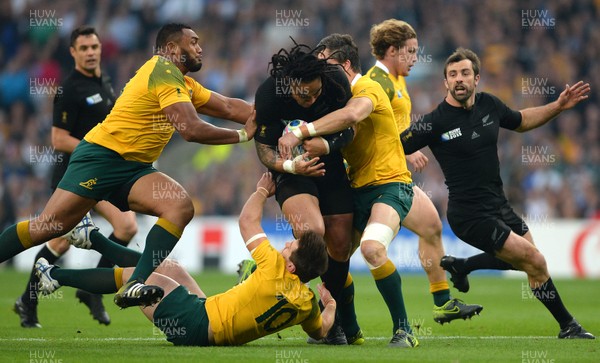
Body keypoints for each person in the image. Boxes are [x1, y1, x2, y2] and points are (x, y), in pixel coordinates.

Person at [0, 23, 256, 309]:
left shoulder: (182, 83)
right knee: (47, 228)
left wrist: (281, 119)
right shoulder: (162, 71)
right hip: (100, 157)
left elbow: (231, 107)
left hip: (134, 168)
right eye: (194, 42)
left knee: (180, 206)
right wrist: (243, 135)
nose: (200, 48)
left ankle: (135, 283)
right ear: (172, 48)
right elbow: (191, 130)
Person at [400, 47, 594, 339]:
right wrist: (408, 154)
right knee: (535, 261)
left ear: (477, 78)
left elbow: (521, 120)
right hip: (468, 214)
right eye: (452, 75)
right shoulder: (435, 121)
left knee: (533, 265)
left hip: (498, 205)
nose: (459, 79)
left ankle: (464, 265)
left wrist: (557, 106)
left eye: (465, 73)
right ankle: (570, 326)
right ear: (446, 83)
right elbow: (396, 144)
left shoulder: (490, 105)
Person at [33, 172, 337, 346]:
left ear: (292, 266)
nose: (286, 244)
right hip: (207, 315)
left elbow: (247, 221)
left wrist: (261, 190)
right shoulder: (307, 303)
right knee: (168, 267)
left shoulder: (274, 268)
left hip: (195, 325)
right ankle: (92, 238)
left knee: (133, 277)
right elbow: (321, 330)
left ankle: (53, 277)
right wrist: (332, 306)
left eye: (291, 246)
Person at [13, 26, 138, 328]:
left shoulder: (105, 83)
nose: (91, 52)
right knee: (60, 241)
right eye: (84, 48)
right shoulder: (68, 89)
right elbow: (58, 139)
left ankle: (50, 297)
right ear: (73, 53)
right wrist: (97, 151)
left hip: (99, 176)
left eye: (94, 46)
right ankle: (71, 294)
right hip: (73, 176)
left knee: (117, 228)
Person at [362, 19, 483, 323]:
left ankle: (442, 302)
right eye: (411, 51)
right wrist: (407, 151)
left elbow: (393, 126)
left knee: (431, 226)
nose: (416, 58)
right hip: (374, 179)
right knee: (330, 253)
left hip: (394, 176)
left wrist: (409, 147)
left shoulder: (397, 79)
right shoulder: (375, 82)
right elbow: (365, 128)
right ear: (392, 50)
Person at [253, 41, 362, 345]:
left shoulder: (336, 81)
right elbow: (263, 147)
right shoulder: (269, 94)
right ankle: (265, 281)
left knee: (340, 244)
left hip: (329, 163)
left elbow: (350, 129)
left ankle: (331, 316)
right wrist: (288, 165)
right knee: (313, 232)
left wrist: (326, 144)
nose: (311, 99)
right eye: (304, 94)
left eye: (315, 93)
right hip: (291, 171)